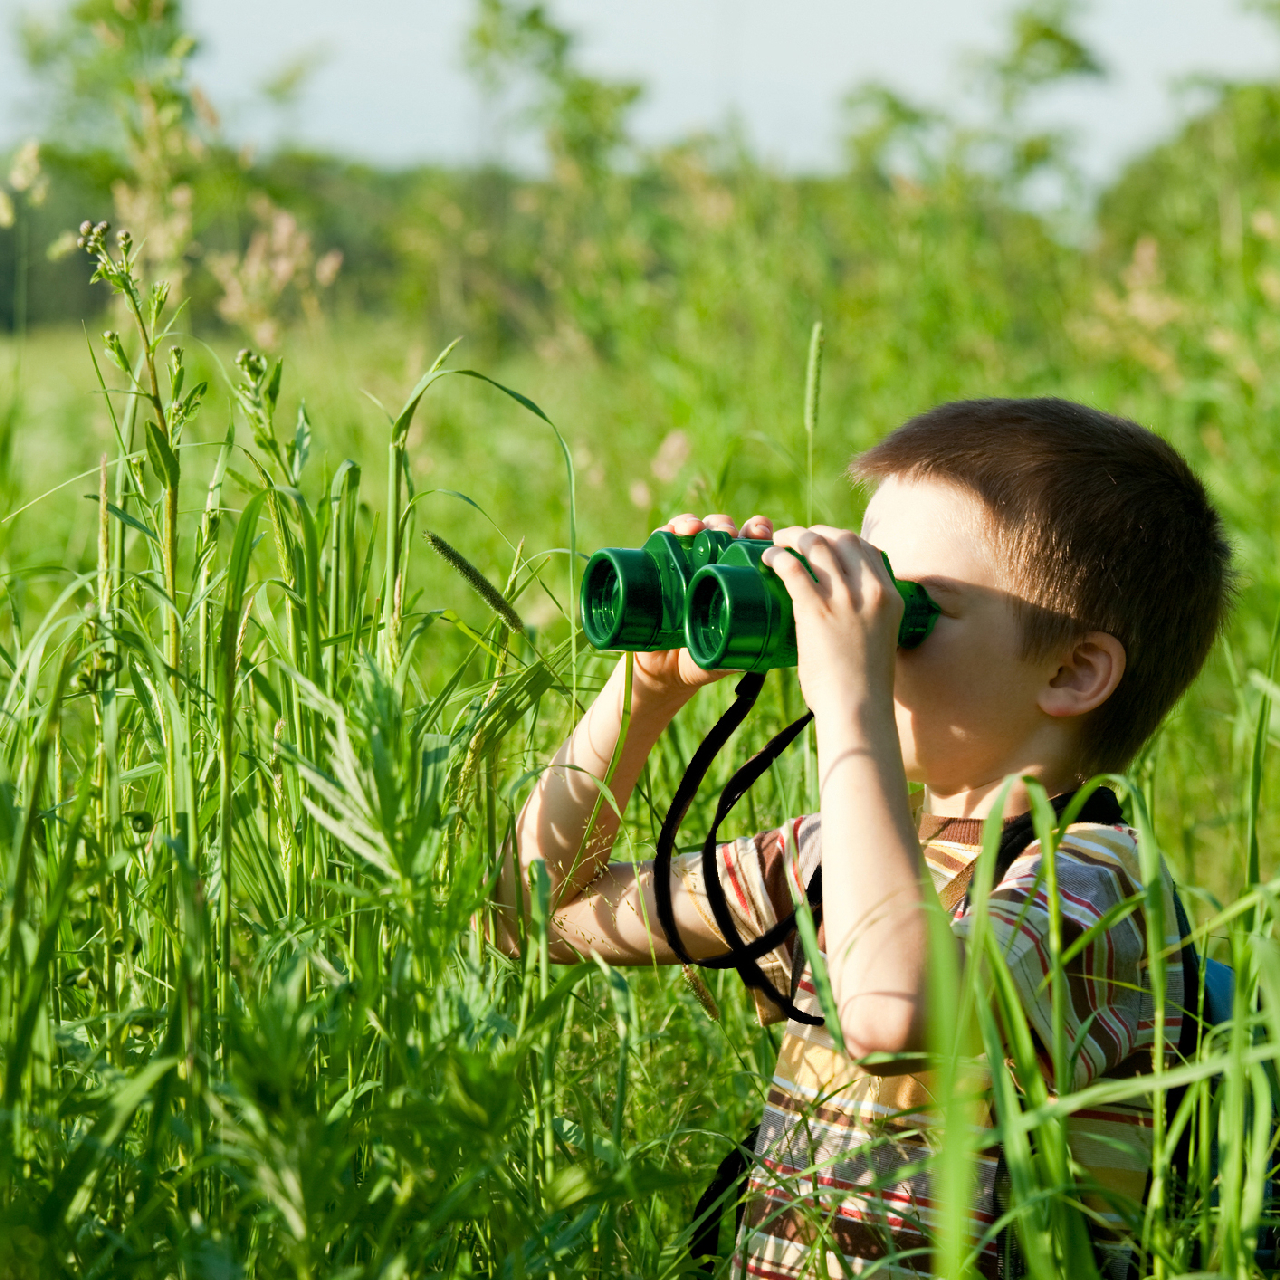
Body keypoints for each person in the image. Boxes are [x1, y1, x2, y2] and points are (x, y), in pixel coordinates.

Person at [497, 397, 1234, 1278]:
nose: (857, 631)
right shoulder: (832, 862)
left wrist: (850, 703)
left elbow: (892, 1014)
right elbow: (539, 916)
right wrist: (643, 696)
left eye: (906, 611)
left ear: (1072, 671)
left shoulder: (1093, 879)